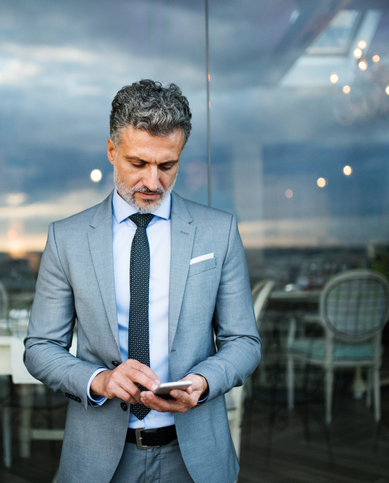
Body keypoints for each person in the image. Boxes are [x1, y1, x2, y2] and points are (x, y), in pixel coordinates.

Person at [24, 79, 260, 483]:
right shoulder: (67, 238)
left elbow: (244, 342)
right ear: (113, 150)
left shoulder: (218, 232)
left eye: (167, 166)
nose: (153, 182)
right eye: (138, 164)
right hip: (98, 461)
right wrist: (100, 380)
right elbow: (41, 347)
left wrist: (202, 383)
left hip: (197, 459)